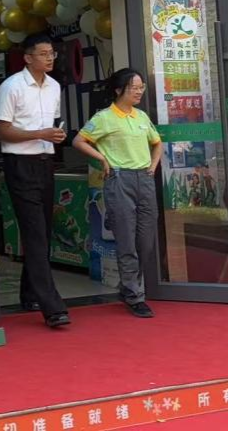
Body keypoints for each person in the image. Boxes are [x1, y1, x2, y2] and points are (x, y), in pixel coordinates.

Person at [73, 68, 163, 318]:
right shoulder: (104, 118)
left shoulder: (141, 116)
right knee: (126, 240)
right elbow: (78, 141)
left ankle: (130, 286)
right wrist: (102, 158)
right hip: (119, 179)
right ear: (118, 90)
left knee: (145, 240)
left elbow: (157, 143)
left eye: (141, 87)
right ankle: (134, 295)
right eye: (134, 87)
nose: (139, 92)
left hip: (144, 179)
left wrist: (153, 166)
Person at [0, 33, 69, 328]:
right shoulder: (11, 86)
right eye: (43, 54)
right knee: (35, 232)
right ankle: (52, 307)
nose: (49, 58)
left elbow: (51, 125)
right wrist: (40, 134)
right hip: (20, 164)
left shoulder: (54, 86)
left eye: (52, 53)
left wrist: (55, 135)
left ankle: (30, 294)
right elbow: (2, 131)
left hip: (45, 162)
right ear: (27, 58)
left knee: (43, 231)